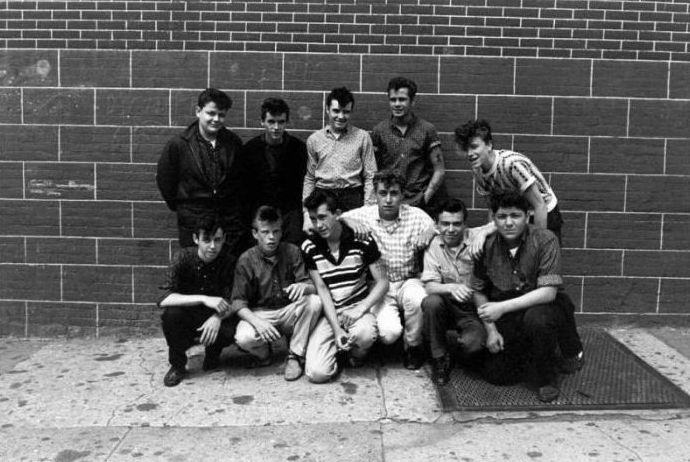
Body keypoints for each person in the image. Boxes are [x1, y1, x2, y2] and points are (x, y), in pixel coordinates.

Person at [471, 192, 584, 402]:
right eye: (502, 217)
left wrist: (501, 308)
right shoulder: (487, 245)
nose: (509, 222)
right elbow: (478, 290)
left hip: (541, 303)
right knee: (497, 376)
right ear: (493, 220)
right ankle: (532, 353)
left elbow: (548, 292)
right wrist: (491, 330)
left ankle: (546, 378)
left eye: (515, 216)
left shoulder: (545, 240)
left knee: (538, 320)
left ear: (528, 215)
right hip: (509, 307)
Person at [340, 169, 436, 370]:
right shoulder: (365, 214)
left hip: (408, 280)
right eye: (383, 193)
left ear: (402, 195)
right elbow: (338, 218)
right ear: (375, 194)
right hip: (379, 285)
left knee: (418, 299)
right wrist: (351, 221)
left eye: (394, 193)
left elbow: (436, 227)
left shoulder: (416, 216)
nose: (389, 199)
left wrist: (428, 233)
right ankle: (384, 345)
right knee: (389, 334)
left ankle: (413, 347)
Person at [301, 190, 389, 383]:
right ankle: (338, 348)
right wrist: (337, 328)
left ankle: (355, 355)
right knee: (317, 374)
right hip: (330, 312)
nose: (318, 225)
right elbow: (322, 289)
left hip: (357, 309)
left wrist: (360, 309)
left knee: (364, 335)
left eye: (323, 217)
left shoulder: (362, 240)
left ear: (337, 214)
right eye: (314, 219)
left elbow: (383, 282)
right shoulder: (309, 246)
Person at [156, 88, 255, 253]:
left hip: (228, 225)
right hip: (193, 223)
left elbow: (242, 182)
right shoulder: (179, 144)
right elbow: (165, 181)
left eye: (221, 115)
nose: (216, 119)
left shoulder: (233, 142)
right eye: (211, 113)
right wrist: (184, 208)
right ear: (198, 111)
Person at [231, 206, 322, 381]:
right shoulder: (246, 260)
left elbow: (311, 285)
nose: (271, 237)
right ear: (255, 234)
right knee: (244, 337)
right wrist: (258, 322)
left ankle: (295, 355)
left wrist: (304, 287)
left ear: (281, 231)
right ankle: (264, 355)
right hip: (261, 314)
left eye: (276, 231)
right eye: (265, 232)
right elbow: (237, 303)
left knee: (314, 302)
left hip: (288, 311)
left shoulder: (292, 251)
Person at [454, 119, 565, 254]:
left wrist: (538, 247)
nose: (470, 153)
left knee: (543, 258)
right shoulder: (477, 170)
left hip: (543, 211)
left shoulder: (511, 164)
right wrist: (491, 236)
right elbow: (493, 207)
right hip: (515, 213)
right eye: (466, 149)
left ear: (489, 145)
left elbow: (539, 205)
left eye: (474, 146)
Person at [159, 215, 239, 387]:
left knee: (232, 327)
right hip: (190, 315)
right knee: (171, 315)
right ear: (196, 239)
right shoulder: (183, 257)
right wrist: (203, 299)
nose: (212, 246)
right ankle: (178, 365)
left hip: (217, 316)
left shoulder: (229, 261)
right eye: (206, 240)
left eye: (217, 240)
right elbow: (164, 298)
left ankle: (213, 353)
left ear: (224, 239)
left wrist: (217, 318)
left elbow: (235, 299)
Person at [421, 198, 486, 386]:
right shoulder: (434, 244)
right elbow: (429, 286)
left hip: (471, 309)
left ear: (465, 224)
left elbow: (499, 224)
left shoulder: (477, 237)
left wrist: (486, 232)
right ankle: (439, 358)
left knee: (473, 346)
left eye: (457, 224)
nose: (450, 229)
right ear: (437, 225)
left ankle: (458, 345)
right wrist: (451, 287)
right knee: (431, 302)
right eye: (445, 224)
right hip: (447, 305)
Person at [302, 86, 377, 234]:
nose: (341, 116)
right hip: (322, 195)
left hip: (352, 197)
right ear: (327, 110)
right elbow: (310, 177)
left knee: (353, 239)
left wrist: (368, 209)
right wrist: (306, 213)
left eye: (346, 112)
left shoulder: (362, 137)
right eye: (336, 111)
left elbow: (370, 175)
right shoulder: (314, 140)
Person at [371, 76, 447, 215]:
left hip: (418, 202)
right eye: (393, 100)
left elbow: (439, 170)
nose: (397, 104)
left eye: (402, 99)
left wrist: (425, 197)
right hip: (390, 201)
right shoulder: (379, 131)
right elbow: (373, 170)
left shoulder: (427, 130)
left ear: (412, 101)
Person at [242, 97, 308, 245]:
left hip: (290, 215)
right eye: (271, 121)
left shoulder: (299, 149)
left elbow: (305, 186)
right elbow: (244, 190)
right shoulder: (250, 150)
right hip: (260, 214)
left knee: (291, 255)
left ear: (287, 122)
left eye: (281, 122)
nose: (276, 127)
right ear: (262, 122)